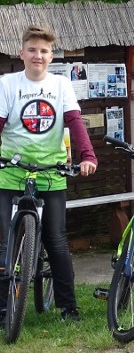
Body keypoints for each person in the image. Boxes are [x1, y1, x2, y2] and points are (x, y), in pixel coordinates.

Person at [0, 25, 98, 323]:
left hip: (51, 171)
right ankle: (4, 309)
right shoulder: (6, 83)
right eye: (32, 50)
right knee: (6, 243)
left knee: (56, 239)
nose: (37, 56)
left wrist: (88, 155)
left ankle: (68, 307)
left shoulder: (60, 85)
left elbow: (75, 122)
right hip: (11, 171)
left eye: (43, 51)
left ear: (51, 56)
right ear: (21, 53)